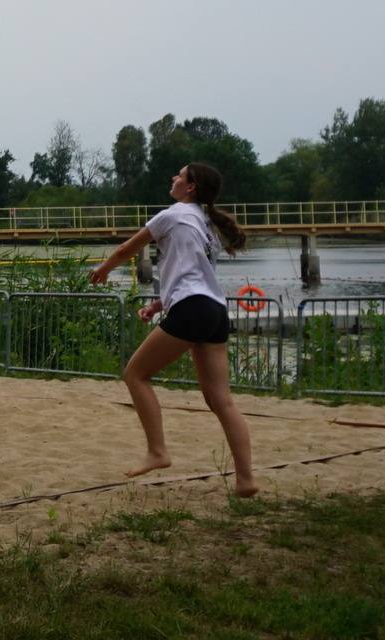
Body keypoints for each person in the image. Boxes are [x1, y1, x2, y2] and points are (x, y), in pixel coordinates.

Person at [90, 162, 259, 497]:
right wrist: (158, 305)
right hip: (214, 310)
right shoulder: (207, 225)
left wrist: (104, 268)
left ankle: (158, 451)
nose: (173, 178)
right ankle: (246, 480)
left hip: (194, 308)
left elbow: (130, 248)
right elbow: (191, 274)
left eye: (179, 175)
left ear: (191, 187)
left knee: (135, 374)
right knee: (222, 401)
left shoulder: (173, 213)